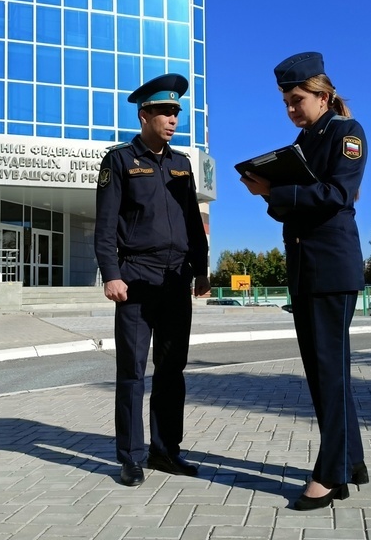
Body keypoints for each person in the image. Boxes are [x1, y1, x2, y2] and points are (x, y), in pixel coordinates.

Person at [240, 52, 369, 510]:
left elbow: (337, 194)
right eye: (286, 102)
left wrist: (276, 191)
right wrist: (266, 191)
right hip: (306, 270)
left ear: (323, 94)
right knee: (323, 375)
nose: (292, 109)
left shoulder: (346, 134)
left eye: (298, 99)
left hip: (331, 269)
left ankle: (331, 474)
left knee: (329, 374)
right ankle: (351, 460)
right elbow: (290, 206)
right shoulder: (304, 140)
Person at [94, 73, 211, 487]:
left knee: (172, 370)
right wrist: (111, 274)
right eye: (164, 111)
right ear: (144, 114)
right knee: (132, 373)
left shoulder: (181, 164)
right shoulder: (120, 161)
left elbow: (193, 224)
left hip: (177, 281)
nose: (172, 118)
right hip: (136, 280)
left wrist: (201, 269)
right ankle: (130, 456)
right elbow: (105, 225)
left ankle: (166, 451)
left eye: (176, 111)